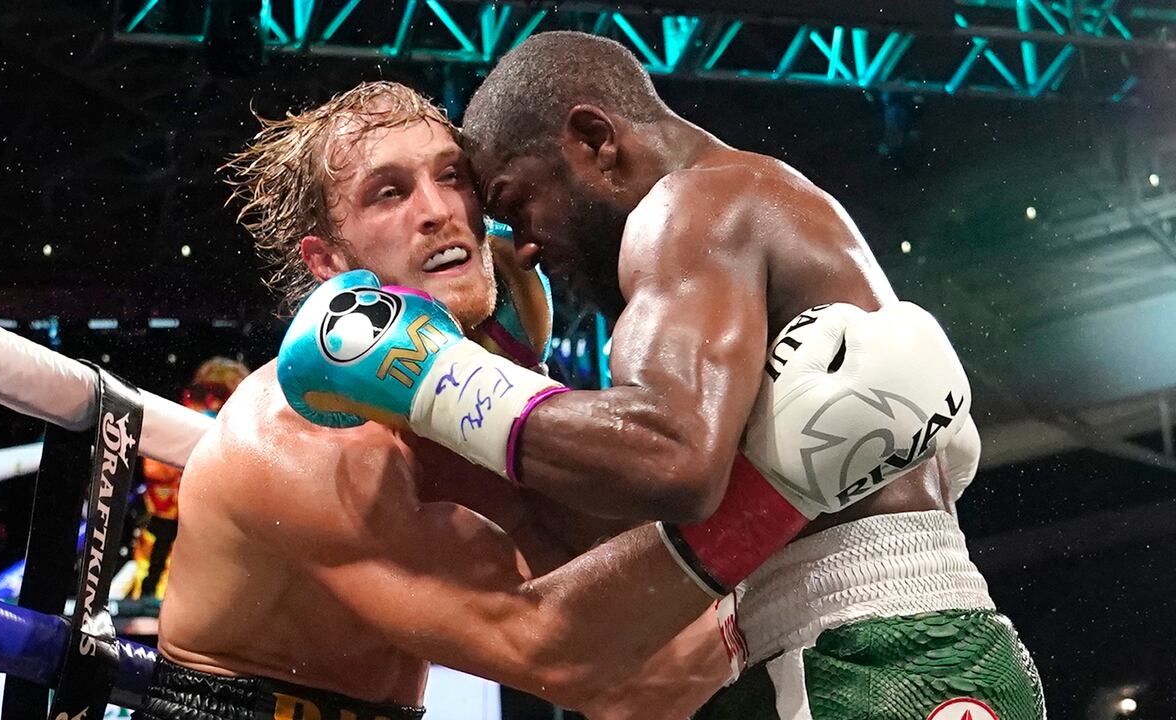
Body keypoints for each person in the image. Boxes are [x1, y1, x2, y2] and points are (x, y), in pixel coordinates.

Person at [145, 81, 968, 719]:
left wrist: (861, 491)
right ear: (328, 265)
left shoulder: (491, 357)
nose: (438, 212)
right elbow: (550, 653)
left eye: (451, 178)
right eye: (388, 194)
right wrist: (800, 472)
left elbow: (628, 646)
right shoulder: (294, 444)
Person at [128, 356, 250, 602]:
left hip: (218, 537)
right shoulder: (174, 423)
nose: (213, 402)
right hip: (166, 528)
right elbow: (154, 472)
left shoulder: (247, 434)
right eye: (209, 393)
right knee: (153, 588)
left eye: (223, 396)